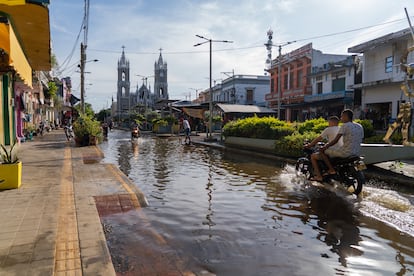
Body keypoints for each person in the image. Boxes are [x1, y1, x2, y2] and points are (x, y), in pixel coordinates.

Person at [318, 109, 364, 181]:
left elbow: (335, 140)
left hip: (345, 153)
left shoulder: (345, 125)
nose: (341, 118)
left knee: (323, 152)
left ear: (346, 116)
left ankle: (331, 169)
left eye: (342, 116)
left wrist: (325, 147)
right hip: (356, 153)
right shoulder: (359, 126)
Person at [305, 116, 342, 182]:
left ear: (331, 122)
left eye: (329, 122)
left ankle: (319, 176)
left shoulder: (328, 129)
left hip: (332, 151)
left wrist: (310, 145)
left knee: (313, 156)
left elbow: (318, 138)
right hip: (341, 151)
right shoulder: (341, 128)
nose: (328, 124)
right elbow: (333, 140)